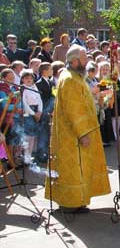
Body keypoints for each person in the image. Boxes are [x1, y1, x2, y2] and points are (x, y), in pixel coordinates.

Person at [44, 45, 110, 213]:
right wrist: (82, 133)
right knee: (73, 168)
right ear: (74, 61)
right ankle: (69, 204)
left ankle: (78, 200)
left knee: (80, 168)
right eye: (84, 58)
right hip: (73, 135)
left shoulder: (75, 76)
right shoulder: (70, 79)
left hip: (76, 132)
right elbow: (75, 110)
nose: (87, 60)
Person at [20, 70, 42, 165]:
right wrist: (33, 113)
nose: (28, 80)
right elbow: (24, 104)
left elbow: (39, 100)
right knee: (28, 136)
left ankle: (30, 155)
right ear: (22, 80)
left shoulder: (34, 87)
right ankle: (26, 156)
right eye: (26, 78)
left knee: (33, 136)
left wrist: (40, 111)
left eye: (30, 78)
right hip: (29, 113)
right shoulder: (23, 89)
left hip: (37, 110)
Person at [35, 62, 55, 162]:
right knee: (42, 132)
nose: (52, 71)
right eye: (50, 69)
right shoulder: (38, 84)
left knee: (47, 133)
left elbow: (54, 95)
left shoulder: (51, 82)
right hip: (43, 111)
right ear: (44, 71)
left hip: (50, 111)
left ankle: (46, 153)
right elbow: (39, 99)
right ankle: (41, 154)